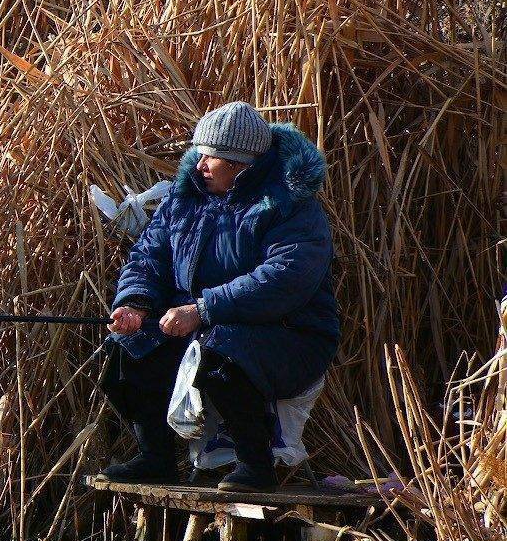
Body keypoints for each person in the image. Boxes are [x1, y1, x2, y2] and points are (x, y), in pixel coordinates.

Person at [100, 101, 339, 492]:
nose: (199, 165)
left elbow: (285, 278)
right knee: (129, 348)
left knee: (223, 350)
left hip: (292, 336)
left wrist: (203, 310)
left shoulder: (290, 206)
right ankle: (156, 458)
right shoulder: (185, 199)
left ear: (241, 164)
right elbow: (148, 257)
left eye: (211, 157)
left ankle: (255, 467)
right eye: (199, 153)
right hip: (203, 323)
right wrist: (135, 304)